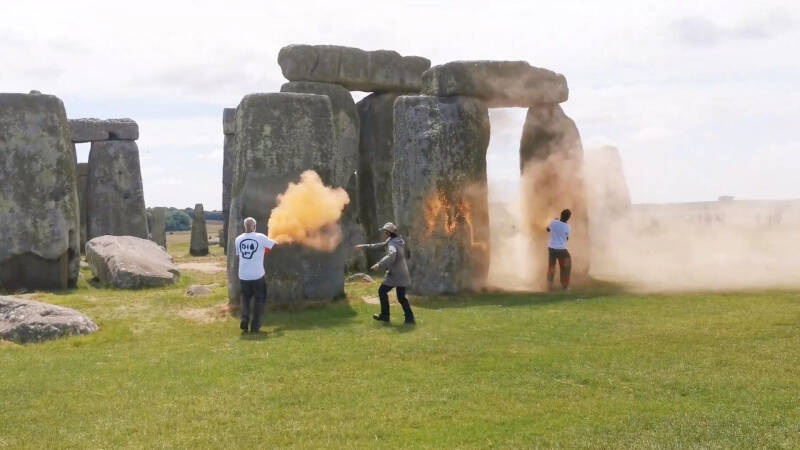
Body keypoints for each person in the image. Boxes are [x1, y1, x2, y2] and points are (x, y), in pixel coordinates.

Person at [355, 222, 415, 324]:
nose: (384, 234)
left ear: (388, 233)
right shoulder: (395, 241)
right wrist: (363, 246)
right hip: (402, 274)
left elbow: (392, 254)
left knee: (382, 291)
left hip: (395, 274)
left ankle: (385, 316)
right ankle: (409, 318)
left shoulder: (392, 243)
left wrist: (379, 264)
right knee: (401, 297)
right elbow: (378, 246)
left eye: (385, 232)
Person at [234, 217, 277, 333]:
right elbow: (274, 245)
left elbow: (240, 254)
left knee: (245, 300)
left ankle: (244, 321)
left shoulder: (238, 239)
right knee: (259, 300)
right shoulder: (260, 237)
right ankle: (255, 326)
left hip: (243, 276)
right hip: (257, 276)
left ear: (245, 226)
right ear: (254, 226)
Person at [546, 209, 572, 291]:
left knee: (551, 266)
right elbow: (567, 238)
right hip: (561, 249)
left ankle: (549, 285)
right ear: (568, 218)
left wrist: (555, 221)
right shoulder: (567, 227)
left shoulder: (554, 222)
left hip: (551, 248)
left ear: (561, 215)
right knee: (566, 266)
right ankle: (565, 286)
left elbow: (548, 229)